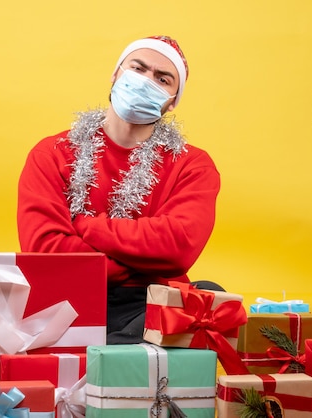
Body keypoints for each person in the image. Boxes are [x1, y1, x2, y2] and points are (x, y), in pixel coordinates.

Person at [17, 35, 223, 344]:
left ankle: (111, 359)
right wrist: (139, 265)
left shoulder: (193, 164)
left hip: (149, 303)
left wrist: (86, 226)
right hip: (67, 300)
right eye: (138, 68)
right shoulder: (52, 153)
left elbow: (178, 246)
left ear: (172, 101)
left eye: (162, 79)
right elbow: (45, 249)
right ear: (116, 74)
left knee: (208, 298)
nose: (145, 81)